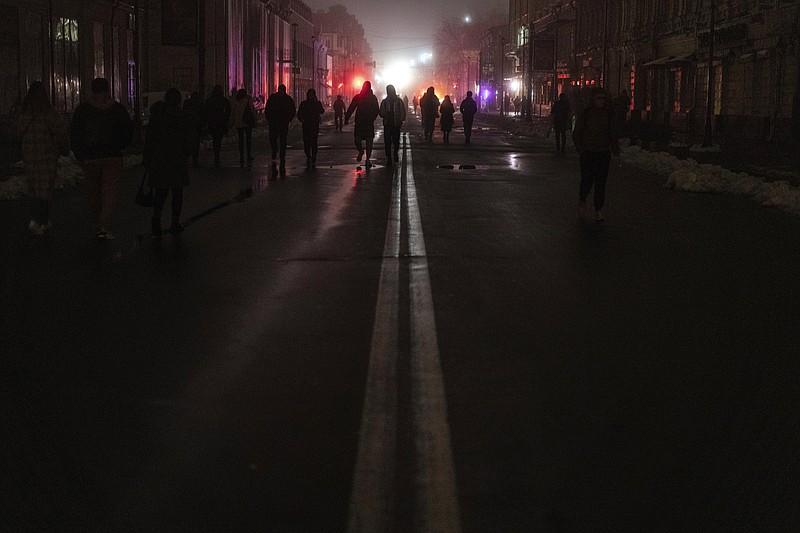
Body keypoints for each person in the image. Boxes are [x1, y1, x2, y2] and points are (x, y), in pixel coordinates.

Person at [70, 77, 133, 240]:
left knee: (93, 191)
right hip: (112, 156)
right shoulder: (117, 109)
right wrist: (119, 147)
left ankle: (96, 220)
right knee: (109, 191)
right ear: (107, 89)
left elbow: (75, 133)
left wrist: (80, 154)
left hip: (90, 157)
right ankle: (104, 225)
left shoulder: (83, 110)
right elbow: (128, 130)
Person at [16, 81, 70, 235]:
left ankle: (39, 219)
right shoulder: (49, 112)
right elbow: (60, 131)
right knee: (45, 188)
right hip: (47, 154)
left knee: (34, 187)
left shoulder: (24, 114)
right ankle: (40, 220)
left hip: (30, 155)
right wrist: (65, 148)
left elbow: (18, 132)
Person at [144, 88, 192, 237]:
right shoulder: (182, 116)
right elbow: (188, 140)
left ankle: (156, 221)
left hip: (160, 159)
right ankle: (174, 222)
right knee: (177, 192)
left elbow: (149, 139)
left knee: (160, 192)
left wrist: (148, 158)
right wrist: (185, 153)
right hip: (177, 159)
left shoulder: (157, 116)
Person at [571, 87, 621, 223]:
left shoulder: (608, 115)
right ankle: (582, 200)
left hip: (603, 152)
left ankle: (598, 209)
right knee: (587, 180)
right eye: (598, 99)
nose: (601, 102)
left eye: (603, 99)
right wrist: (581, 149)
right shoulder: (586, 114)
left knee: (601, 182)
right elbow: (577, 133)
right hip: (588, 152)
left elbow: (612, 134)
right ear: (593, 100)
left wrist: (616, 150)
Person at [345, 80, 380, 167]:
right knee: (357, 140)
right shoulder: (358, 97)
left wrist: (372, 118)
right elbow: (351, 107)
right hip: (360, 122)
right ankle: (360, 151)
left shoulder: (373, 98)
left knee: (369, 142)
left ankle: (368, 159)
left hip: (368, 122)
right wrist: (346, 117)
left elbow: (376, 110)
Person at [264, 84, 296, 172]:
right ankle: (277, 151)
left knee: (280, 139)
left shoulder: (280, 99)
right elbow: (268, 108)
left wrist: (288, 119)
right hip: (277, 121)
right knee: (276, 138)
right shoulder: (285, 99)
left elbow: (292, 110)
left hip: (280, 122)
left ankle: (280, 153)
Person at [297, 88, 326, 169]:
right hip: (306, 125)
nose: (310, 96)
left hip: (314, 125)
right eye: (309, 94)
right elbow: (299, 114)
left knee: (313, 141)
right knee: (306, 141)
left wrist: (317, 104)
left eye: (311, 94)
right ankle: (308, 155)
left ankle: (313, 155)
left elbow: (322, 111)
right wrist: (302, 120)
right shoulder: (304, 104)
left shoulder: (316, 103)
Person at [378, 84, 407, 165]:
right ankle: (389, 158)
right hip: (387, 124)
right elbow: (381, 112)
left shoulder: (398, 101)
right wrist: (385, 113)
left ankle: (395, 153)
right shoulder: (384, 102)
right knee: (387, 142)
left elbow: (403, 111)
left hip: (396, 124)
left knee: (396, 141)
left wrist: (401, 120)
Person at [204, 85, 231, 168]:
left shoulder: (210, 100)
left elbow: (206, 110)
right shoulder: (223, 100)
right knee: (218, 139)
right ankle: (217, 154)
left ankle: (216, 154)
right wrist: (226, 118)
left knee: (215, 138)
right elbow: (228, 110)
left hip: (213, 122)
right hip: (221, 122)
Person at [232, 88, 256, 167]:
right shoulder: (248, 101)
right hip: (247, 122)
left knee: (241, 139)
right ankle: (248, 155)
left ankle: (241, 156)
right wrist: (255, 119)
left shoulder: (236, 102)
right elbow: (252, 111)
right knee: (248, 139)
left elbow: (234, 112)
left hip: (239, 123)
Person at [182, 91, 205, 167]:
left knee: (188, 141)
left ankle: (187, 156)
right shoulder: (199, 104)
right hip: (196, 125)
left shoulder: (187, 103)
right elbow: (202, 114)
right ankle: (195, 158)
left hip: (188, 125)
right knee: (196, 142)